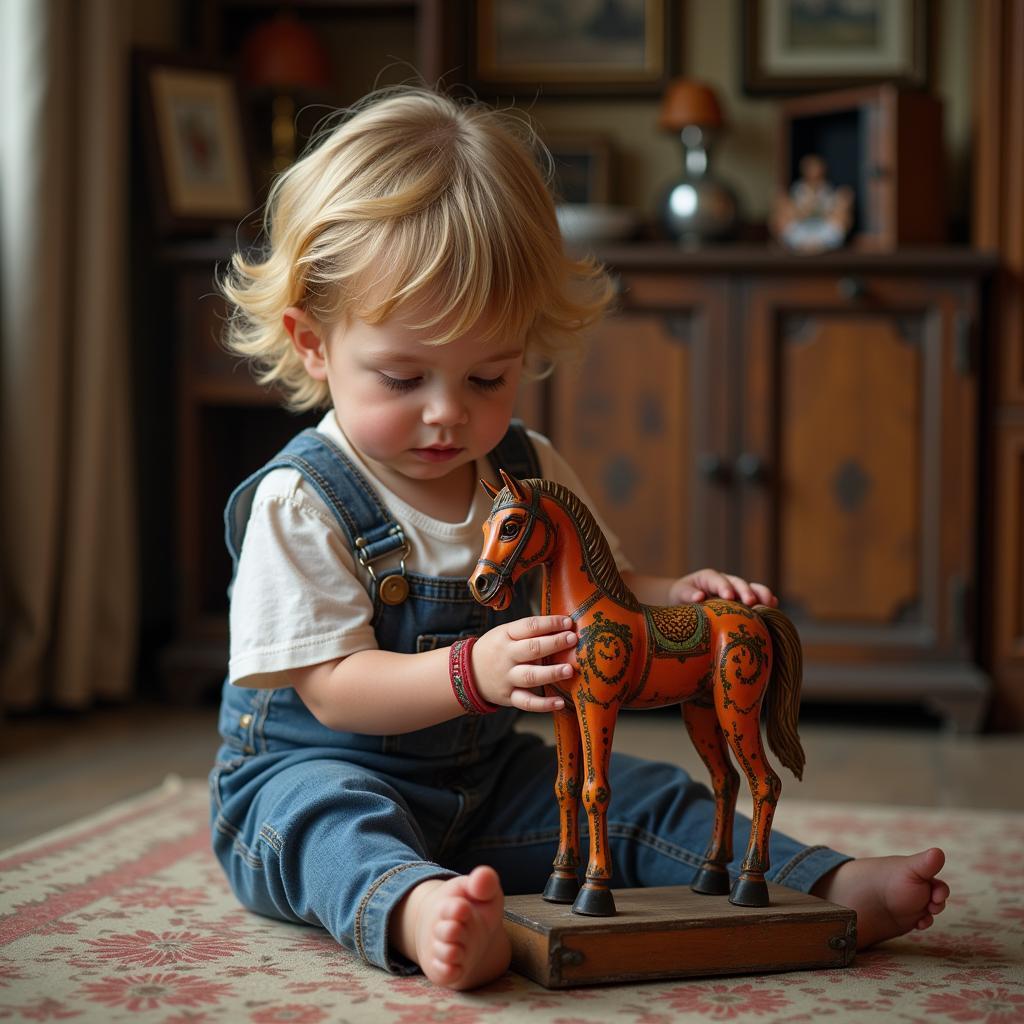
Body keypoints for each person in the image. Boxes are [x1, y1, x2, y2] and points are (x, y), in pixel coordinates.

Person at [211, 87, 948, 991]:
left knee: (641, 795)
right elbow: (330, 690)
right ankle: (417, 910)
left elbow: (612, 584)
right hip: (319, 769)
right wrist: (469, 673)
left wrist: (682, 596)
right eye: (403, 377)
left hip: (489, 786)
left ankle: (821, 882)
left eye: (488, 375)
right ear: (313, 343)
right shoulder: (304, 498)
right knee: (325, 824)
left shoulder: (526, 469)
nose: (448, 413)